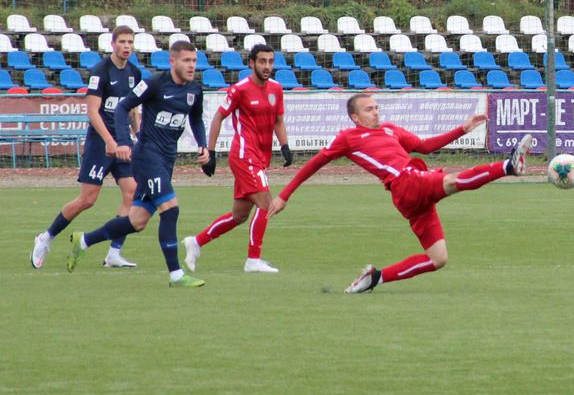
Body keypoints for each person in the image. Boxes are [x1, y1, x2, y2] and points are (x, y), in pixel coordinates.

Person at [267, 93, 532, 293]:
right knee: (450, 181)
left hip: (409, 192)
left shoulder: (390, 129)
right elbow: (313, 164)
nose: (375, 113)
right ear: (355, 117)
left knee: (438, 259)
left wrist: (462, 130)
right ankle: (508, 166)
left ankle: (375, 278)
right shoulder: (348, 138)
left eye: (376, 108)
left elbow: (425, 147)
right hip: (405, 182)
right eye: (368, 110)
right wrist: (284, 195)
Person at [66, 41, 210, 288]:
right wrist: (123, 141)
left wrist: (203, 145)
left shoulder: (194, 90)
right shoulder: (154, 83)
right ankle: (176, 275)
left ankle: (85, 241)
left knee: (137, 221)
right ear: (172, 61)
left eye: (194, 61)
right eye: (186, 61)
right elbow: (123, 107)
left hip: (167, 159)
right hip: (146, 156)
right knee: (170, 209)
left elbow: (196, 119)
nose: (191, 66)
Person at [31, 26, 142, 269]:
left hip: (123, 143)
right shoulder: (100, 71)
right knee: (88, 199)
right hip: (100, 144)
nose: (126, 46)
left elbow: (133, 109)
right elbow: (92, 111)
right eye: (122, 42)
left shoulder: (135, 73)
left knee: (132, 193)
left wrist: (139, 136)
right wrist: (109, 142)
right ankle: (45, 237)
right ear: (113, 44)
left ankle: (114, 253)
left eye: (130, 42)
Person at [183, 44, 291, 274]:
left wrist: (285, 146)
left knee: (239, 215)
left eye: (271, 62)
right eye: (262, 61)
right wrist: (210, 153)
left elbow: (279, 120)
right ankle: (253, 260)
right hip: (244, 155)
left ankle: (196, 242)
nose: (267, 66)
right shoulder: (239, 89)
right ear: (251, 63)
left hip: (260, 156)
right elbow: (218, 118)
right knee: (266, 204)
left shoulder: (276, 89)